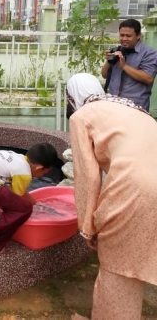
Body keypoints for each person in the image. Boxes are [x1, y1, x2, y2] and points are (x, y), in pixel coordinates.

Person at [66, 73, 157, 320]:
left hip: (135, 190)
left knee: (118, 270)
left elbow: (88, 177)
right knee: (141, 254)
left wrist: (87, 227)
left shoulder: (81, 116)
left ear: (71, 97)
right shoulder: (131, 108)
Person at [101, 18, 157, 111]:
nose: (124, 39)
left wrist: (124, 66)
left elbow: (148, 78)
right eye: (122, 35)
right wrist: (109, 60)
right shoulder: (117, 50)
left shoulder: (149, 53)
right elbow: (104, 75)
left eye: (128, 36)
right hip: (113, 105)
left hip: (135, 108)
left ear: (138, 35)